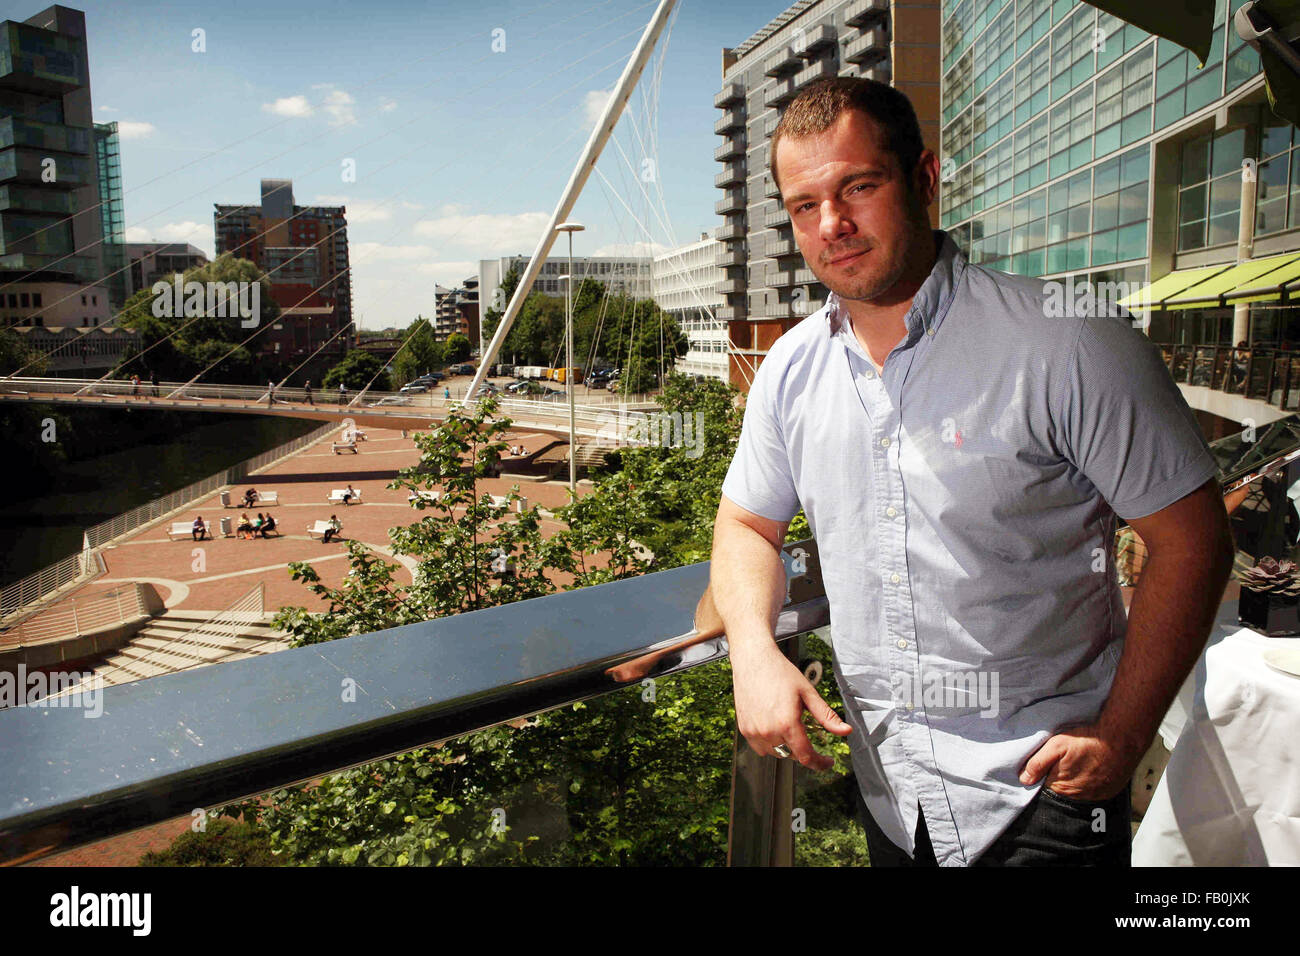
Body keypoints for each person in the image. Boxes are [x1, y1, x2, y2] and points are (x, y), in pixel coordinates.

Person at [701, 78, 1233, 867]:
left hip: (1042, 797)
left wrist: (1123, 736)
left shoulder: (1069, 341)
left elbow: (1193, 541)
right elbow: (746, 524)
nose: (832, 225)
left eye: (858, 187)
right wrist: (752, 651)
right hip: (890, 793)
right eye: (804, 205)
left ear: (923, 180)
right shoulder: (788, 369)